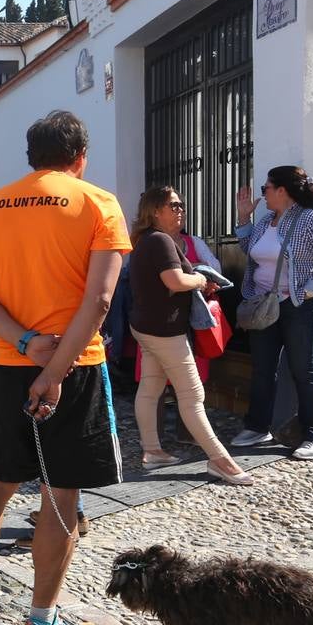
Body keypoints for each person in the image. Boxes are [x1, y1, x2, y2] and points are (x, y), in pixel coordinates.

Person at [0, 110, 130, 625]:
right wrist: (53, 371)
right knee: (60, 494)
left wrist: (25, 344)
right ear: (80, 157)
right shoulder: (98, 204)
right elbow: (98, 300)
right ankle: (42, 622)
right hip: (74, 368)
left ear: (31, 157)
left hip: (7, 365)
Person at [128, 186, 252, 485]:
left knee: (151, 386)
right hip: (165, 330)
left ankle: (152, 450)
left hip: (147, 326)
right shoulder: (160, 241)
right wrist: (199, 279)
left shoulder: (148, 240)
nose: (180, 209)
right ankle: (220, 460)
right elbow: (174, 279)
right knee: (192, 395)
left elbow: (167, 283)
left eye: (181, 205)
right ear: (155, 211)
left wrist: (191, 282)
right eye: (173, 205)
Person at [231, 166, 313, 459]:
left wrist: (308, 290)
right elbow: (250, 249)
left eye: (265, 189)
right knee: (262, 369)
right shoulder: (267, 221)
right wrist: (244, 217)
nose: (263, 195)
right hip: (264, 305)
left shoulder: (311, 219)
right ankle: (258, 427)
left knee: (304, 370)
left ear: (282, 190)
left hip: (301, 307)